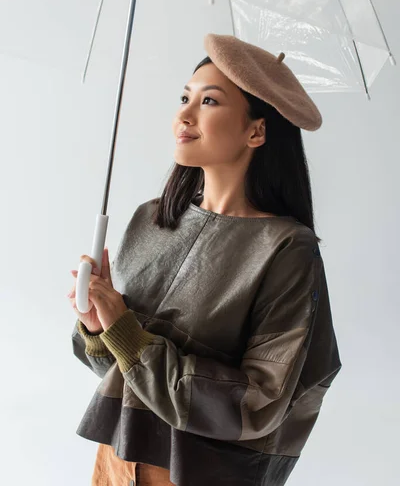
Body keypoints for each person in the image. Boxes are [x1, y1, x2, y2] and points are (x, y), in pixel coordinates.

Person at [69, 34, 342, 486]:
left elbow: (258, 403)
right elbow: (123, 375)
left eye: (209, 101)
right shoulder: (153, 219)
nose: (184, 114)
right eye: (185, 97)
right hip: (115, 461)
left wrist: (126, 333)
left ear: (256, 131)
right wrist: (99, 328)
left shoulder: (287, 251)